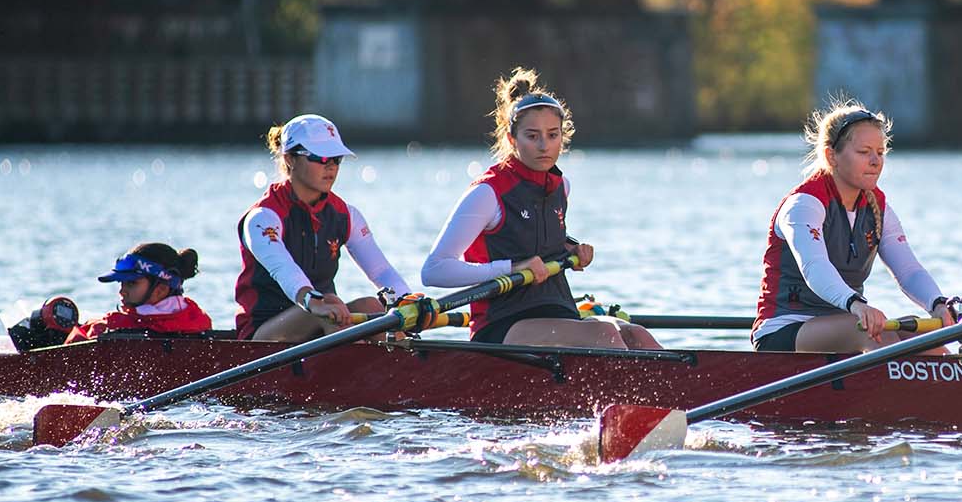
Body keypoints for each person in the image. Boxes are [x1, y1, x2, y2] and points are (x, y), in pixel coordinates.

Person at [420, 69, 658, 350]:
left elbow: (535, 239)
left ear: (562, 137)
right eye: (532, 136)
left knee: (635, 335)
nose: (544, 146)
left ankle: (683, 392)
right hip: (502, 326)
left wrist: (570, 250)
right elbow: (434, 271)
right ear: (512, 140)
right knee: (604, 336)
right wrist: (512, 269)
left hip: (557, 313)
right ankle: (632, 395)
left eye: (552, 135)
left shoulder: (561, 187)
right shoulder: (488, 192)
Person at [753, 99, 957, 353]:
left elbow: (909, 270)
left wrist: (937, 304)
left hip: (848, 321)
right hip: (785, 330)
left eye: (880, 152)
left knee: (929, 344)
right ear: (831, 156)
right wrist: (857, 305)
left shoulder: (878, 208)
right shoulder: (804, 205)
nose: (875, 161)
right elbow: (815, 268)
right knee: (878, 337)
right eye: (864, 152)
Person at [233, 114, 410, 341]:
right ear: (290, 159)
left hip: (324, 319)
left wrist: (408, 302)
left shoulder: (345, 215)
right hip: (262, 337)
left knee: (374, 306)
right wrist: (312, 302)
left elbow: (381, 272)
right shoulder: (263, 217)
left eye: (336, 159)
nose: (331, 167)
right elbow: (284, 269)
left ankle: (405, 372)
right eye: (322, 157)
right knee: (330, 306)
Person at [67, 243, 213, 342]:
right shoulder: (200, 321)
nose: (122, 292)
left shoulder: (109, 326)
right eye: (121, 283)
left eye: (131, 283)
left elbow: (69, 353)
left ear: (161, 289)